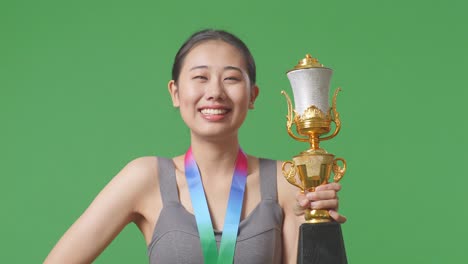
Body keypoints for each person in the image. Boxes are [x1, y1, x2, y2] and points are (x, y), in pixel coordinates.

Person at [45, 29, 346, 264]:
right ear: (175, 92)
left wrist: (316, 226)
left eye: (230, 78)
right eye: (200, 77)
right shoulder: (145, 177)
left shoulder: (289, 179)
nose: (214, 92)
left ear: (252, 96)